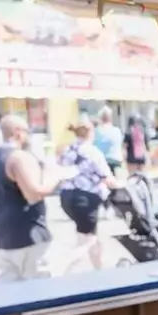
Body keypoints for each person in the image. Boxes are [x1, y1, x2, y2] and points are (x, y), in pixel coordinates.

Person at [0, 115, 67, 283]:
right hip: (30, 236)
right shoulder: (18, 157)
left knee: (10, 294)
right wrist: (55, 176)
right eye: (27, 132)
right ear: (18, 133)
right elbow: (34, 194)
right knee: (43, 291)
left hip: (3, 236)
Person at [59, 114, 121, 271]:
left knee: (91, 235)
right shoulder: (92, 152)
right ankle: (66, 268)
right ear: (91, 133)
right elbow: (107, 178)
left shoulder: (67, 150)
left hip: (66, 197)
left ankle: (99, 268)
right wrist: (122, 185)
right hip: (86, 199)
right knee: (87, 240)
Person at [94, 106, 124, 175]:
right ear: (110, 118)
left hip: (102, 162)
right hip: (116, 160)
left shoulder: (97, 131)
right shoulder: (117, 131)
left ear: (100, 118)